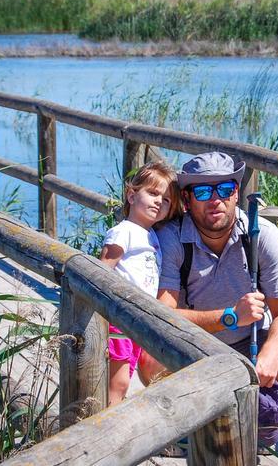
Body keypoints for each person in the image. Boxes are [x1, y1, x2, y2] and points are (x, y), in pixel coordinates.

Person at [137, 151, 278, 398]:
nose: (215, 200)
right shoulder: (172, 238)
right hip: (194, 344)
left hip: (251, 343)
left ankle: (257, 419)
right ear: (187, 200)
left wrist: (271, 352)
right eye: (202, 192)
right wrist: (229, 317)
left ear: (236, 192)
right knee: (150, 363)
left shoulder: (262, 235)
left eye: (224, 189)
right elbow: (163, 317)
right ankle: (193, 420)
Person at [99, 161, 181, 406]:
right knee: (119, 380)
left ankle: (109, 417)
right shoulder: (123, 231)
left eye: (166, 200)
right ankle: (107, 425)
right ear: (132, 195)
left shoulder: (152, 235)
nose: (159, 201)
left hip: (135, 320)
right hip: (119, 317)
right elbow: (102, 271)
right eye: (153, 194)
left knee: (127, 374)